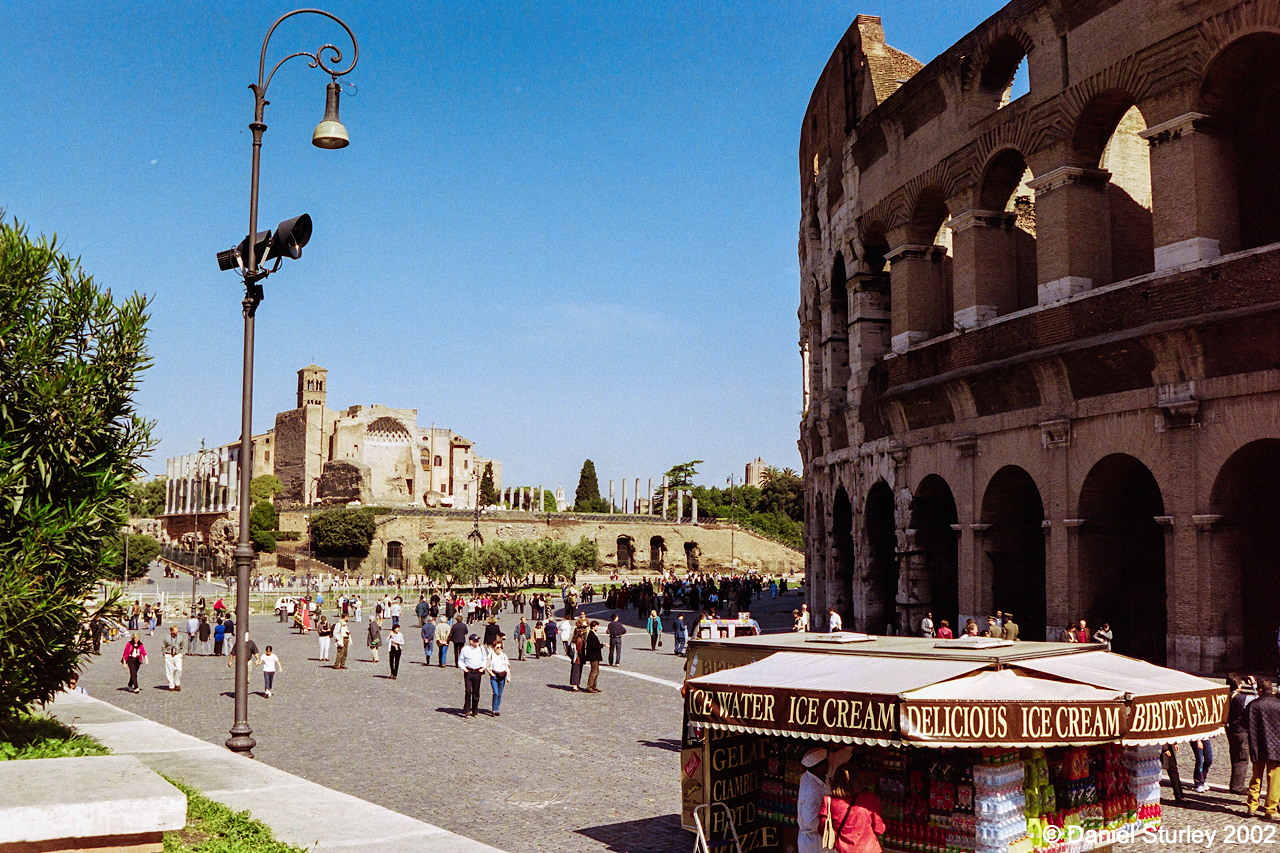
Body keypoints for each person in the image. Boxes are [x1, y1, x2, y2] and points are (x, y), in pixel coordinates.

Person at [820, 764, 886, 853]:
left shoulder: (828, 801)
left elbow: (822, 829)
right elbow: (879, 829)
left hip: (842, 850)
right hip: (867, 849)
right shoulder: (869, 798)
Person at [1247, 677, 1280, 818]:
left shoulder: (1253, 705)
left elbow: (1244, 724)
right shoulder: (1279, 705)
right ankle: (1271, 809)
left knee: (1256, 776)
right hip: (1276, 747)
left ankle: (1252, 806)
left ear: (1260, 690)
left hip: (1258, 745)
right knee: (1274, 779)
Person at [1228, 674, 1258, 794]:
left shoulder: (1225, 695)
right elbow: (1258, 699)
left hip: (1230, 729)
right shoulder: (1241, 698)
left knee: (1235, 756)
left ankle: (1234, 783)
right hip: (1240, 730)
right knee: (1241, 758)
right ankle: (1237, 786)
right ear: (1239, 684)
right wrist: (1253, 685)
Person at [797, 748, 831, 853]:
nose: (829, 765)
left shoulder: (809, 776)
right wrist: (831, 823)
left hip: (818, 838)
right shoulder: (812, 791)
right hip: (814, 841)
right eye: (826, 763)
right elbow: (810, 821)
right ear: (818, 767)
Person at [458, 634, 486, 717]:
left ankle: (474, 710)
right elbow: (460, 660)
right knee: (468, 691)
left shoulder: (481, 648)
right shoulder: (465, 649)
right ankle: (466, 710)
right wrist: (464, 669)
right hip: (469, 672)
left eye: (477, 641)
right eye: (475, 641)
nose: (477, 642)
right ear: (471, 641)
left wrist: (483, 668)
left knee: (476, 692)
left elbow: (485, 659)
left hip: (477, 672)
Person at [486, 637, 511, 715]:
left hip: (502, 676)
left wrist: (509, 675)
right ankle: (493, 709)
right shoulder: (491, 655)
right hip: (494, 676)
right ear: (494, 648)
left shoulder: (503, 656)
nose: (499, 649)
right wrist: (491, 673)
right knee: (495, 693)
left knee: (500, 694)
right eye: (498, 647)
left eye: (501, 647)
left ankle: (496, 709)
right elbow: (487, 666)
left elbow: (507, 666)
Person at [583, 621, 603, 693]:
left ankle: (594, 686)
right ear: (593, 627)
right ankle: (589, 686)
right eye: (597, 626)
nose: (598, 627)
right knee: (594, 671)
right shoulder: (591, 635)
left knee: (597, 672)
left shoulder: (593, 634)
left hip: (595, 656)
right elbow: (594, 646)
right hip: (593, 656)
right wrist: (601, 645)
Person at [162, 626, 183, 691]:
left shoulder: (180, 637)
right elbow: (163, 646)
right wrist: (164, 653)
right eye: (175, 630)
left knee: (179, 669)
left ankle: (177, 683)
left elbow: (182, 646)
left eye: (177, 630)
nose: (177, 631)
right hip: (169, 655)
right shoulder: (166, 638)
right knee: (169, 671)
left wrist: (183, 655)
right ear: (171, 631)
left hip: (177, 654)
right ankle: (171, 685)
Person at [568, 624, 586, 691]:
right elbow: (580, 650)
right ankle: (575, 686)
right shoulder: (579, 640)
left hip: (574, 658)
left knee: (574, 671)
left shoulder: (573, 639)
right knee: (577, 671)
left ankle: (576, 684)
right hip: (578, 658)